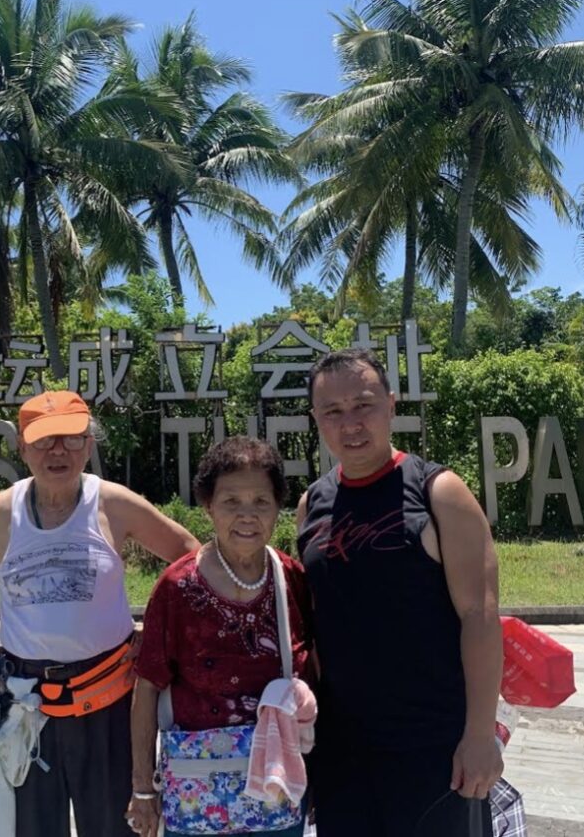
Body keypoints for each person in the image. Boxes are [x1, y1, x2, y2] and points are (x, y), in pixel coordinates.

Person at [0, 391, 199, 837]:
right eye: (44, 440)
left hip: (110, 706)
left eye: (71, 439)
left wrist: (156, 636)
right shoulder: (0, 514)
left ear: (88, 445)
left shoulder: (112, 503)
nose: (58, 452)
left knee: (115, 830)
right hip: (28, 710)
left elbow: (189, 558)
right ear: (22, 448)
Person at [298, 349, 502, 837]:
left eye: (363, 405)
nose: (350, 424)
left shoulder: (439, 492)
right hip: (344, 751)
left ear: (391, 404)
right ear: (317, 420)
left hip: (433, 747)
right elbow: (317, 627)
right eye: (333, 411)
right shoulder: (312, 504)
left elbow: (480, 616)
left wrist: (480, 735)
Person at [128, 437, 313, 837]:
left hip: (277, 795)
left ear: (277, 507)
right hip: (197, 794)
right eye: (231, 502)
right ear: (208, 505)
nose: (247, 515)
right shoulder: (178, 587)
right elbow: (147, 687)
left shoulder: (291, 579)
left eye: (261, 501)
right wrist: (143, 788)